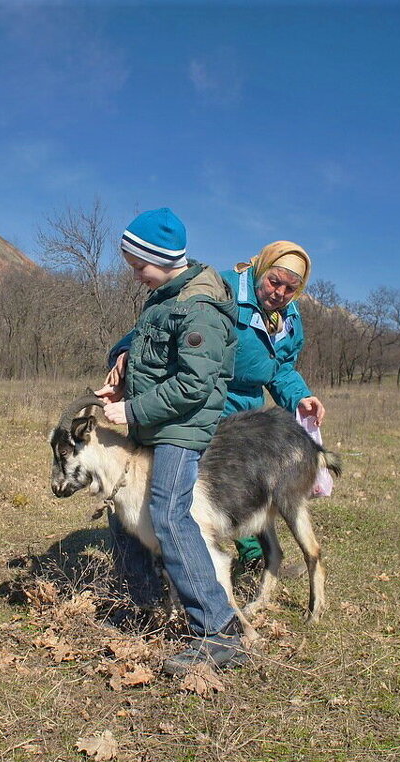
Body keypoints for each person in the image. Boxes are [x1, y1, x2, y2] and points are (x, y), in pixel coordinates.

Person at [94, 207, 243, 675]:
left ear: (163, 259)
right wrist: (121, 363)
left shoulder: (199, 306)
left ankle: (218, 629)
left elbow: (194, 386)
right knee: (123, 508)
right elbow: (145, 342)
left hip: (180, 428)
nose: (135, 275)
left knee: (169, 514)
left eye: (139, 266)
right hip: (155, 423)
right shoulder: (165, 296)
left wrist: (131, 410)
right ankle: (144, 605)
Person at [220, 241, 325, 563]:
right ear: (261, 269)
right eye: (274, 281)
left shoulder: (288, 318)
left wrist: (301, 397)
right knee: (216, 477)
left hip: (249, 406)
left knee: (249, 479)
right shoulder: (222, 289)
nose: (279, 292)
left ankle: (255, 555)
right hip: (209, 397)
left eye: (290, 288)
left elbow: (282, 368)